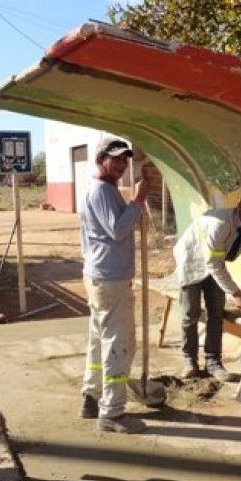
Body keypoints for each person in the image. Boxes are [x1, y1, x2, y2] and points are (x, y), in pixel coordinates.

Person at [79, 136, 149, 434]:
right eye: (116, 159)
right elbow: (119, 229)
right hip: (111, 279)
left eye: (125, 160)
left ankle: (90, 397)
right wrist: (138, 200)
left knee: (99, 340)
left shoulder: (102, 189)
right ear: (101, 159)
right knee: (119, 344)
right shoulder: (102, 192)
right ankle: (112, 412)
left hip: (100, 276)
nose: (121, 165)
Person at [173, 188, 241, 382]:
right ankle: (190, 361)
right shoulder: (220, 224)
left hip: (215, 263)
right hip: (192, 261)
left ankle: (213, 362)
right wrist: (236, 293)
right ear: (240, 206)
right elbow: (213, 264)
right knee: (190, 313)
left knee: (216, 312)